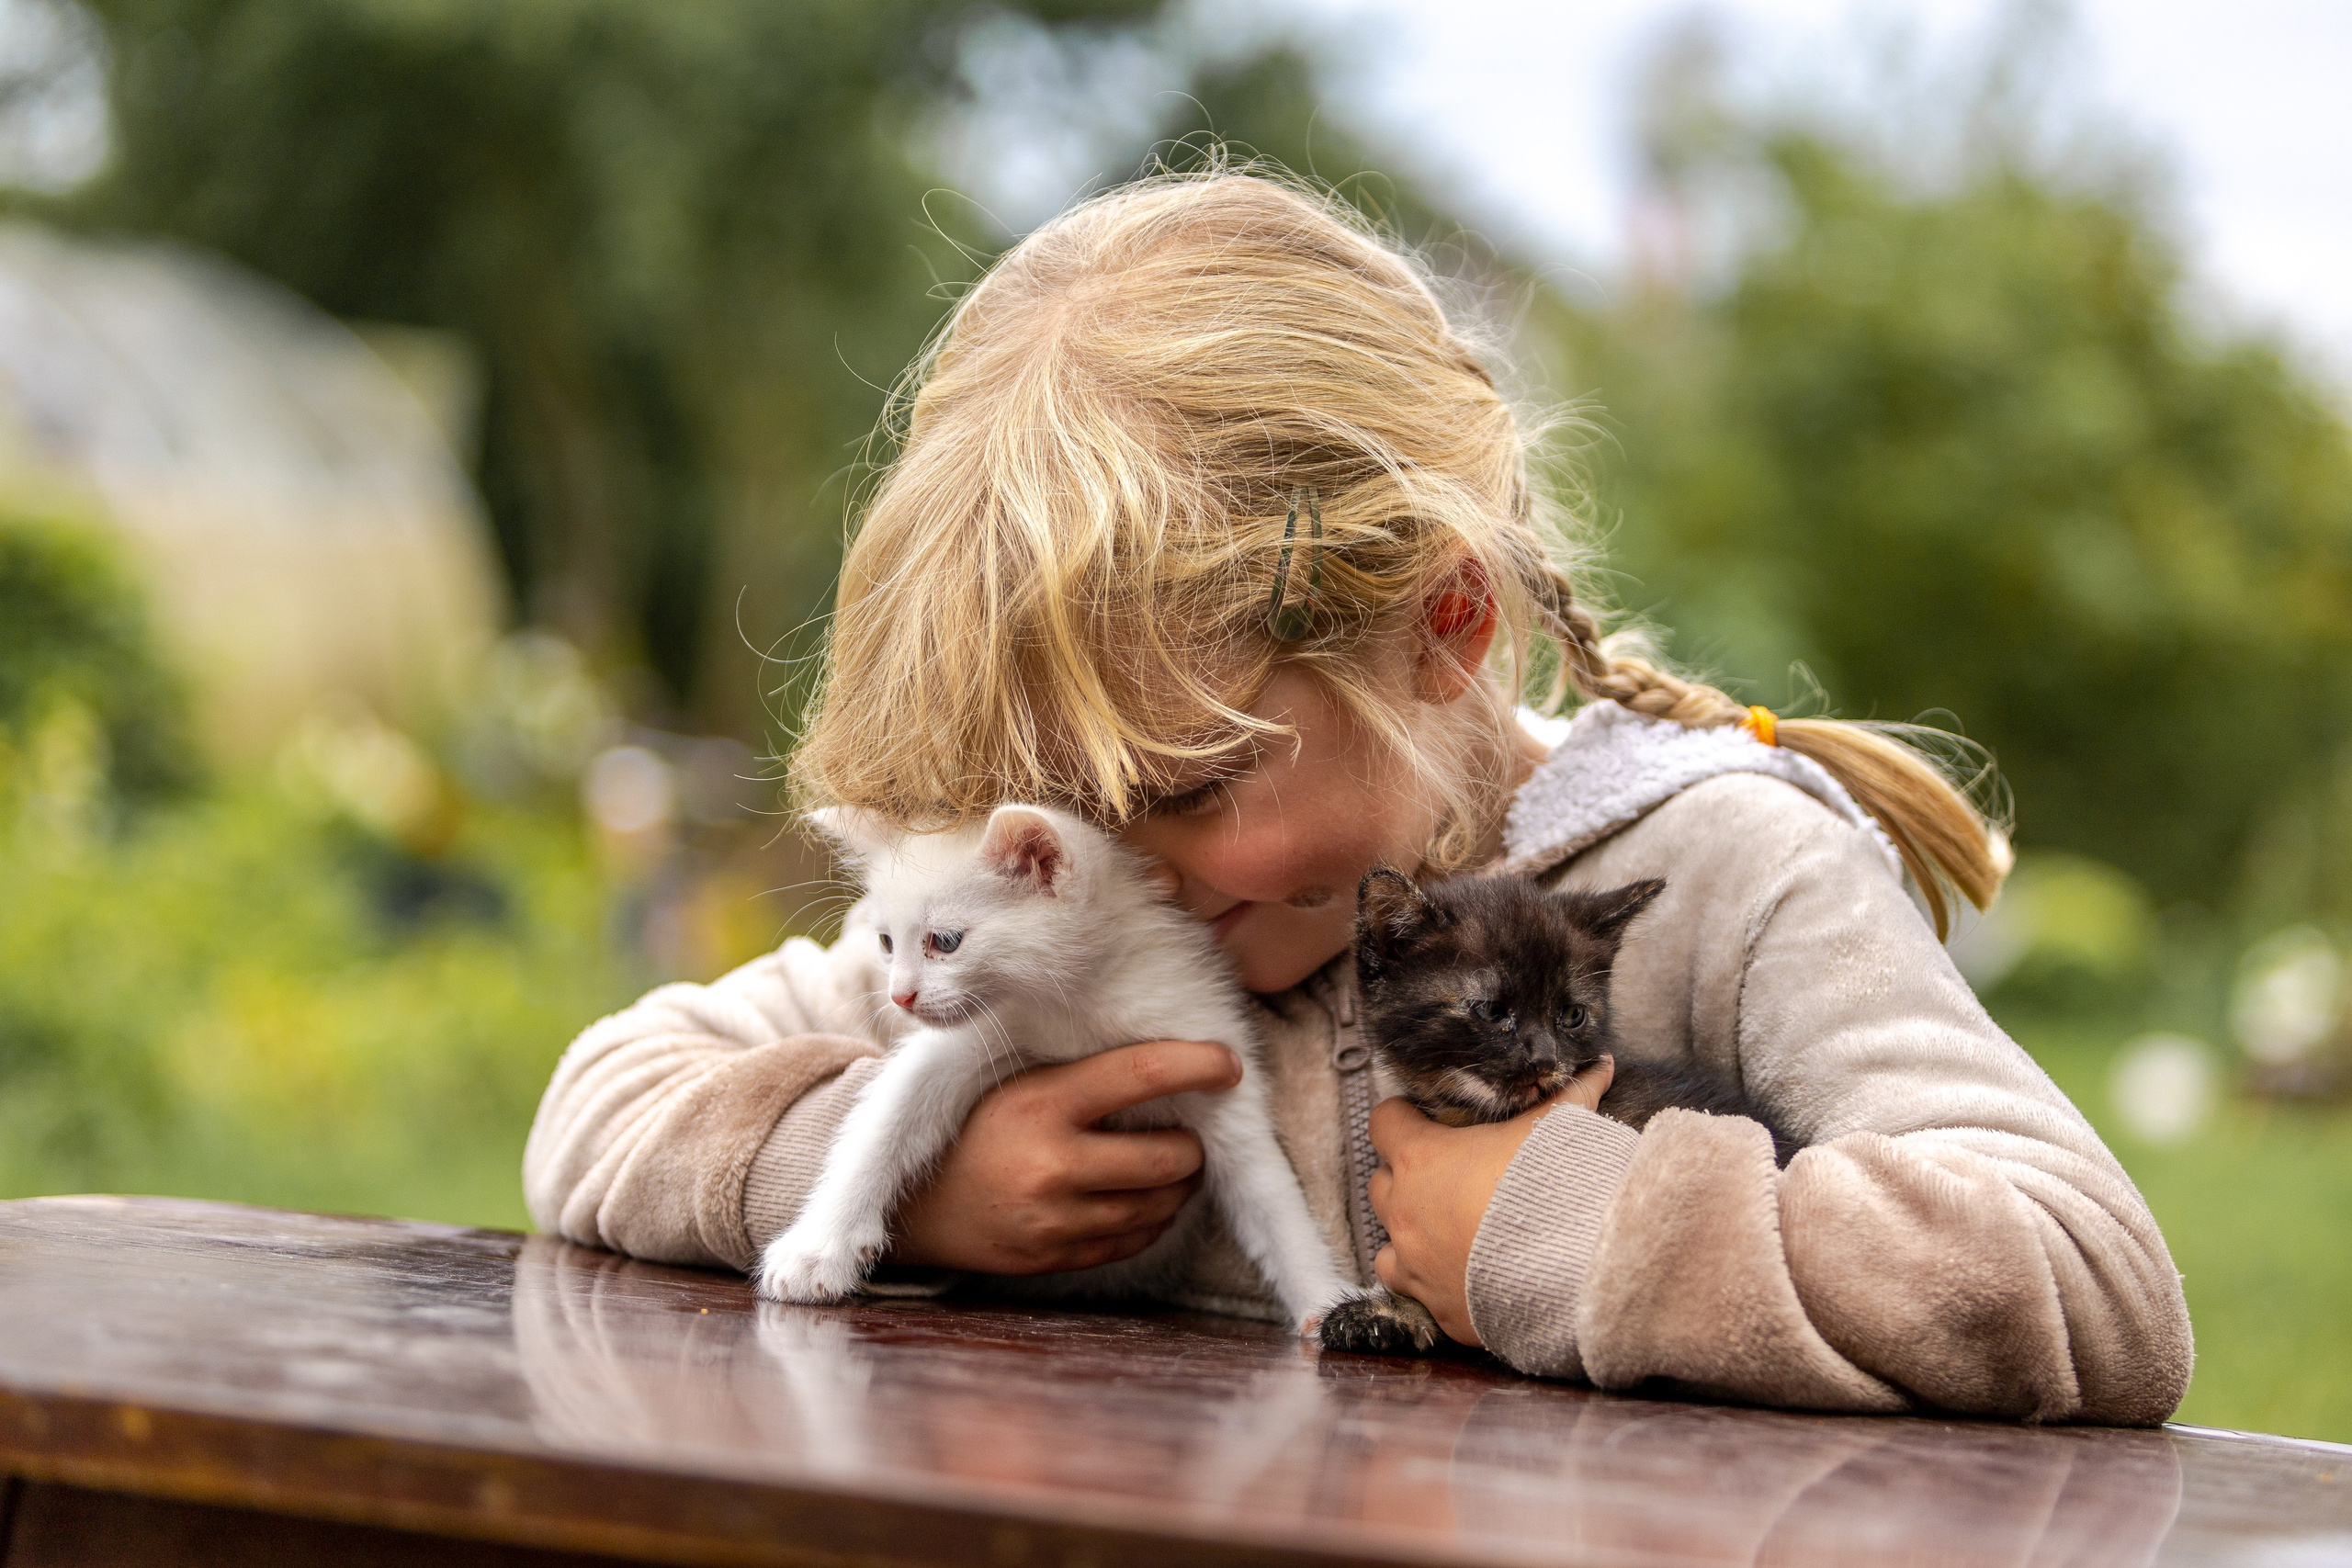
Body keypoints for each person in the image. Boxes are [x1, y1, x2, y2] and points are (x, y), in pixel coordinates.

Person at [523, 170, 2190, 1424]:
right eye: (1069, 805)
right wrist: (893, 1174)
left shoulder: (1725, 872)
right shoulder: (1077, 929)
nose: (1129, 871)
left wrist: (1570, 1221)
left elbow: (2088, 1281)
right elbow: (603, 1101)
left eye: (1188, 787)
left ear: (1444, 628)